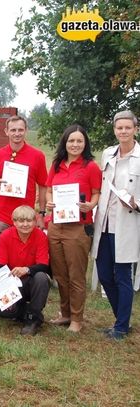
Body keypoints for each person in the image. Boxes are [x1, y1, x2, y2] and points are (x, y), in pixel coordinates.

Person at [0, 115, 48, 316]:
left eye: (20, 129)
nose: (17, 133)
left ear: (25, 131)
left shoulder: (37, 156)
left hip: (26, 218)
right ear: (6, 132)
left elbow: (43, 185)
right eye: (13, 130)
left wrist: (41, 213)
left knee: (26, 260)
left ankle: (23, 301)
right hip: (1, 216)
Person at [45, 125, 101, 333]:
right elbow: (49, 190)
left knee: (76, 275)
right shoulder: (57, 164)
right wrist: (49, 202)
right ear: (65, 143)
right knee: (60, 275)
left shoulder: (91, 166)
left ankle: (77, 318)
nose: (75, 144)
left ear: (85, 143)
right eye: (71, 141)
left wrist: (91, 205)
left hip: (78, 227)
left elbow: (96, 193)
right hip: (56, 226)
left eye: (79, 141)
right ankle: (65, 313)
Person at [92, 110, 140, 340]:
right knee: (104, 274)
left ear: (135, 129)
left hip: (127, 224)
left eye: (127, 127)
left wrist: (135, 202)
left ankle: (121, 326)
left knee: (122, 276)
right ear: (114, 130)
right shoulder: (107, 155)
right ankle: (121, 318)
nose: (123, 131)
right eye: (119, 128)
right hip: (104, 223)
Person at [0, 205, 51, 336]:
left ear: (35, 222)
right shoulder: (5, 235)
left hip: (32, 281)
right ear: (14, 222)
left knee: (41, 277)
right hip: (12, 281)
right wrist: (6, 290)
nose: (25, 224)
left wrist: (27, 269)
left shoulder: (40, 236)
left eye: (29, 221)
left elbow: (43, 265)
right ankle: (27, 311)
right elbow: (0, 266)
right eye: (21, 221)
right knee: (3, 312)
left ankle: (32, 319)